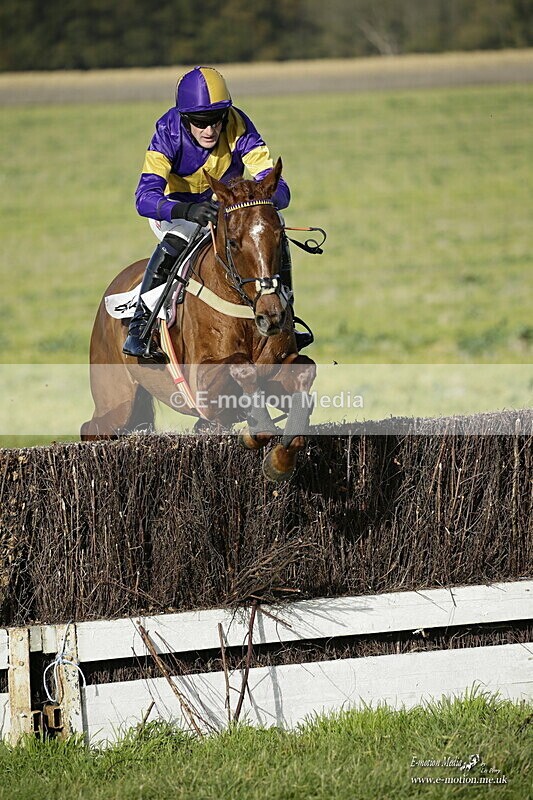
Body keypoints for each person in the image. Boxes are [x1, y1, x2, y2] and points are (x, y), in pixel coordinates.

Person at [123, 65, 312, 361]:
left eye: (215, 121)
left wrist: (257, 201)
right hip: (178, 209)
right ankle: (140, 327)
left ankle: (286, 318)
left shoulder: (238, 124)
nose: (209, 130)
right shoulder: (167, 132)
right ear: (185, 119)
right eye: (200, 123)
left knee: (275, 229)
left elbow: (279, 188)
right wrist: (187, 209)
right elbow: (144, 198)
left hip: (229, 208)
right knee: (179, 236)